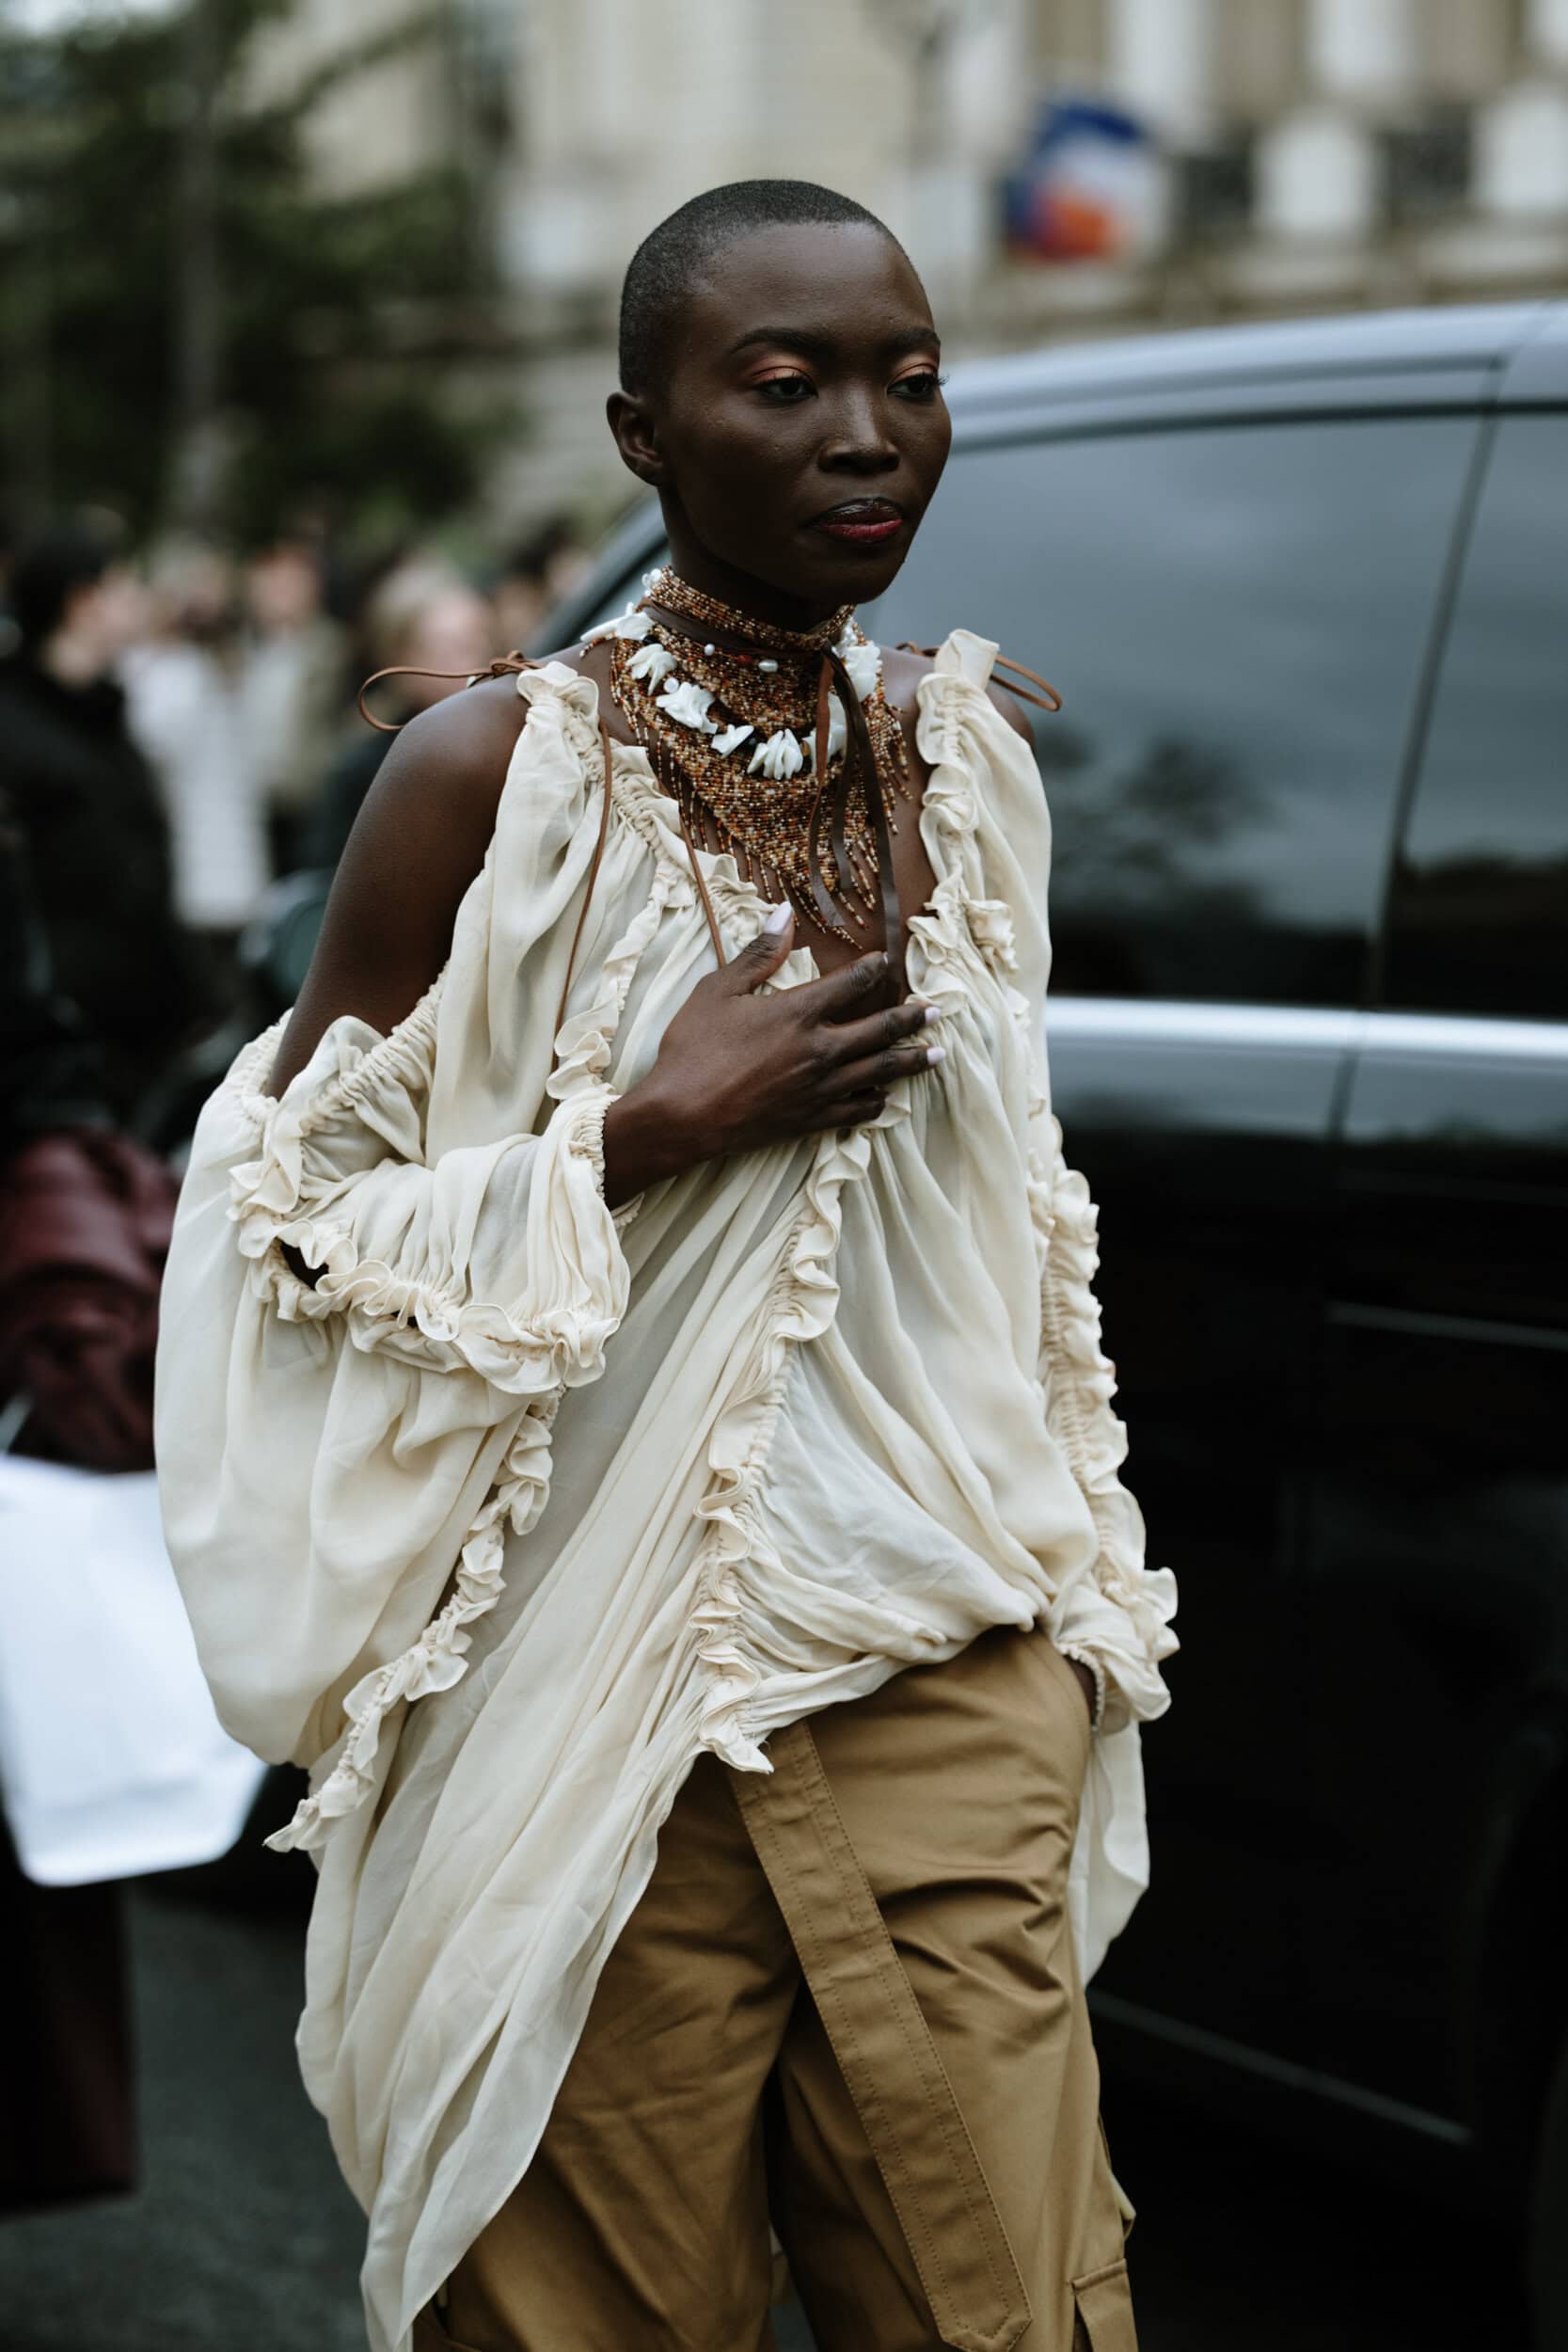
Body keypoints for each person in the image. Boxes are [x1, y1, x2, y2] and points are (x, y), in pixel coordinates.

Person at [155, 181, 1179, 2352]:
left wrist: (1073, 1593)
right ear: (641, 434)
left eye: (908, 378)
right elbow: (270, 1235)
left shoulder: (975, 760)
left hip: (938, 1670)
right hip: (572, 1716)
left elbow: (1013, 1228)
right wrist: (634, 1135)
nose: (864, 434)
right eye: (784, 381)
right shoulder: (486, 778)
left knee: (1013, 2309)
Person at [0, 519, 204, 1120]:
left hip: (139, 1027)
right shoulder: (15, 730)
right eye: (125, 586)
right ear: (82, 602)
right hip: (60, 1049)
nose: (140, 601)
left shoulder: (106, 716)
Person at [304, 557, 495, 872]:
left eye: (483, 641)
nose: (479, 664)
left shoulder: (527, 737)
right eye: (453, 648)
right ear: (400, 660)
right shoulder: (366, 773)